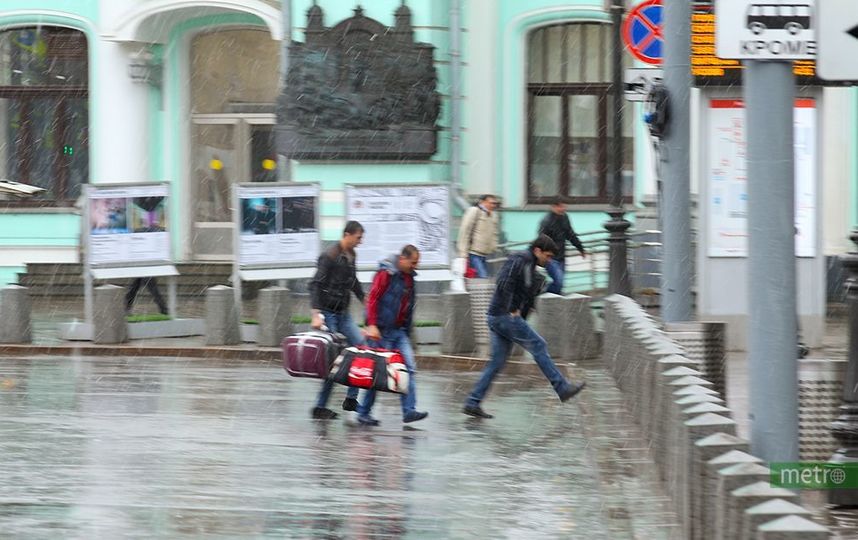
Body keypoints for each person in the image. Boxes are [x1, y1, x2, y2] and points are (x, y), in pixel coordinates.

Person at [463, 234, 586, 419]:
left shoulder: (529, 266)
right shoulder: (520, 259)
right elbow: (503, 282)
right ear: (537, 251)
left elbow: (525, 295)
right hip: (503, 316)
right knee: (539, 345)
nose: (549, 260)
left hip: (497, 316)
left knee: (497, 362)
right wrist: (512, 308)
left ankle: (473, 402)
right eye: (548, 256)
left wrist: (522, 314)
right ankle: (562, 388)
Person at [356, 245, 428, 426]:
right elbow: (373, 298)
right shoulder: (386, 273)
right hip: (381, 332)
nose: (415, 267)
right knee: (378, 375)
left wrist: (408, 332)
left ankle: (409, 411)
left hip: (399, 332)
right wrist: (371, 324)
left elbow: (408, 307)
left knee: (409, 368)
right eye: (413, 263)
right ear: (402, 259)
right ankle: (363, 412)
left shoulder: (410, 278)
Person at [309, 221, 367, 420]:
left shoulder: (351, 255)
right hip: (328, 313)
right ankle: (320, 406)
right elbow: (315, 285)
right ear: (347, 234)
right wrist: (316, 314)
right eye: (358, 237)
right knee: (333, 360)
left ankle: (351, 398)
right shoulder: (330, 256)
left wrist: (366, 300)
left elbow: (353, 282)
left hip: (344, 313)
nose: (360, 242)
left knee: (361, 347)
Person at [538, 198, 587, 295]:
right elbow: (541, 239)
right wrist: (543, 254)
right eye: (561, 206)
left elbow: (570, 234)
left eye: (564, 206)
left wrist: (580, 248)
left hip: (561, 257)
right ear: (553, 207)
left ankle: (549, 301)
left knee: (559, 284)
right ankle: (541, 293)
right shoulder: (546, 221)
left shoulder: (564, 218)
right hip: (550, 257)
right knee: (559, 281)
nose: (563, 209)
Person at [456, 194, 499, 279]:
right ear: (482, 202)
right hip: (473, 253)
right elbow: (465, 231)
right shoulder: (474, 211)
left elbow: (494, 233)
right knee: (483, 277)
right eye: (491, 203)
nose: (493, 205)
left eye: (495, 203)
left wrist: (494, 247)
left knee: (480, 278)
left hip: (485, 254)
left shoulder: (493, 215)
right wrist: (463, 252)